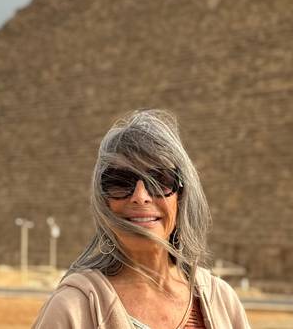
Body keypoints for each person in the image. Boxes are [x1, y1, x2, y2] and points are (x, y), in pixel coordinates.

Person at [33, 110, 250, 329]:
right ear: (103, 201)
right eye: (119, 182)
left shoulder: (222, 302)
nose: (140, 197)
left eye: (159, 180)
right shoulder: (73, 309)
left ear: (181, 196)